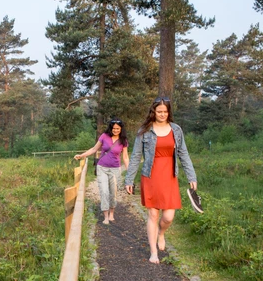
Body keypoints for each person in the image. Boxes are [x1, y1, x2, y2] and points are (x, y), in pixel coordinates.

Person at [124, 97, 197, 264]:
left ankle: (161, 233)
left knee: (169, 217)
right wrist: (129, 180)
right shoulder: (145, 130)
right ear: (154, 112)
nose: (162, 114)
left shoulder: (176, 130)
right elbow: (135, 156)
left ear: (168, 112)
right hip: (150, 176)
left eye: (165, 111)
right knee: (153, 213)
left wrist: (191, 176)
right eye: (159, 111)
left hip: (169, 175)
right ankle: (153, 252)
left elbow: (183, 153)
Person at [75, 119, 130, 224]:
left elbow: (126, 157)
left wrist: (129, 172)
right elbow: (94, 149)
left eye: (118, 128)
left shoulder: (123, 140)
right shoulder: (104, 136)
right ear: (110, 128)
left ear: (121, 129)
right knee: (104, 191)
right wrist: (81, 155)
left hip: (115, 169)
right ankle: (105, 216)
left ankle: (112, 214)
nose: (115, 130)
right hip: (102, 168)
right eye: (114, 128)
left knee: (113, 192)